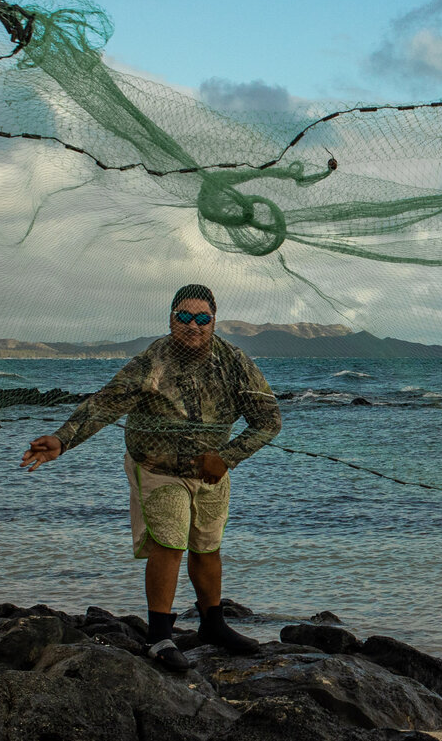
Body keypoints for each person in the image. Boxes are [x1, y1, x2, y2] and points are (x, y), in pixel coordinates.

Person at [20, 283, 281, 669]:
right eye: (185, 317)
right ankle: (159, 637)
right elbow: (104, 406)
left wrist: (227, 457)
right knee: (170, 543)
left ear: (213, 322)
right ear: (171, 319)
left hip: (209, 473)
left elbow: (269, 420)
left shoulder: (234, 362)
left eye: (202, 318)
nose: (194, 325)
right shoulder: (151, 363)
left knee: (207, 548)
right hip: (156, 468)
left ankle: (213, 624)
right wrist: (62, 439)